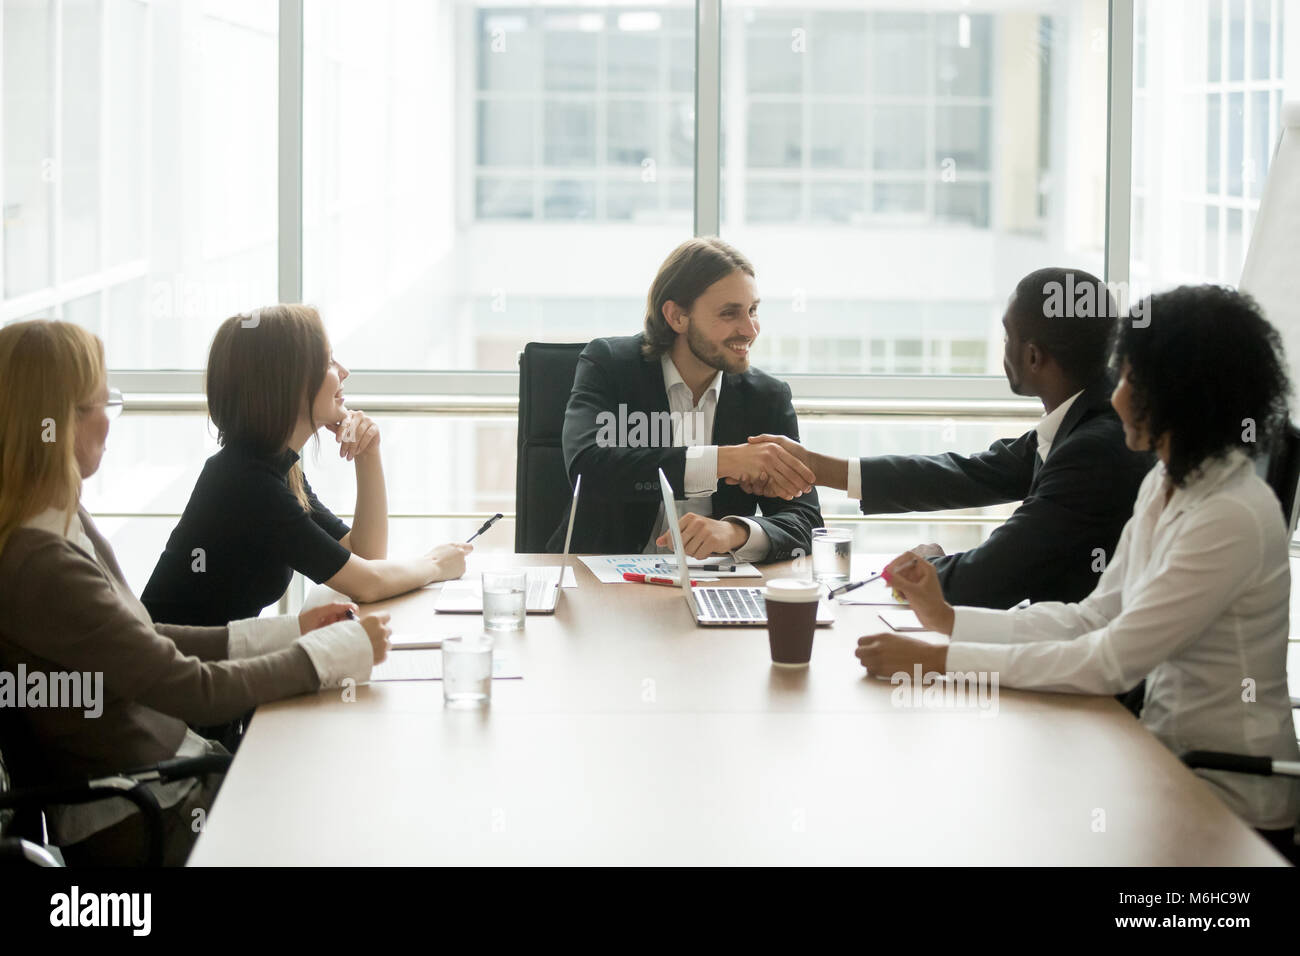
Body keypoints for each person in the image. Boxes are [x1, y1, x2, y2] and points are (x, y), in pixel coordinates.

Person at [856, 285, 1300, 852]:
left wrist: (942, 662)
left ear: (1184, 394)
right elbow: (1092, 618)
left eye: (1131, 382)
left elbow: (1111, 661)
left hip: (1228, 796)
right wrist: (948, 620)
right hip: (1159, 759)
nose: (1115, 400)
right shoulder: (1167, 484)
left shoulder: (1230, 515)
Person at [0, 320, 391, 865]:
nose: (109, 424)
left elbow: (147, 637)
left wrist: (293, 631)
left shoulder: (61, 521)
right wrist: (323, 656)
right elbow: (188, 688)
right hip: (148, 815)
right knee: (353, 814)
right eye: (99, 403)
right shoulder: (41, 563)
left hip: (180, 773)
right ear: (56, 423)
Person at [741, 267, 1153, 608]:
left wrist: (921, 572)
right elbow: (967, 474)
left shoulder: (1093, 448)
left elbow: (996, 575)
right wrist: (816, 467)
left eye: (1008, 336)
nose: (1003, 348)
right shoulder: (1085, 423)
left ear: (1033, 356)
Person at [141, 305, 470, 627]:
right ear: (288, 383)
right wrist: (436, 565)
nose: (344, 371)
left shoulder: (273, 468)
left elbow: (366, 557)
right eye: (328, 361)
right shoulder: (246, 483)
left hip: (208, 667)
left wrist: (369, 454)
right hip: (169, 675)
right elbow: (368, 583)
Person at [547, 237, 821, 561]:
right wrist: (722, 461)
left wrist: (735, 532)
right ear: (676, 316)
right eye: (729, 313)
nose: (750, 329)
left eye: (752, 310)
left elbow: (805, 523)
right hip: (605, 580)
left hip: (715, 583)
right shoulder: (610, 366)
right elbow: (588, 468)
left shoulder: (766, 398)